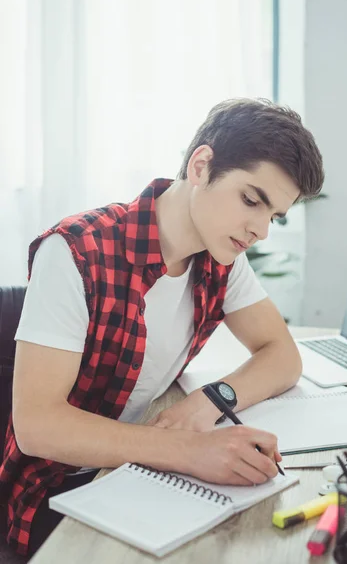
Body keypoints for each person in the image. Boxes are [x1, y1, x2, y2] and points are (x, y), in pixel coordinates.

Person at [0, 98, 324, 558]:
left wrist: (211, 399)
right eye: (251, 200)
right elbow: (37, 425)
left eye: (273, 216)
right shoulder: (75, 251)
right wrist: (189, 451)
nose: (260, 230)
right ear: (201, 165)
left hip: (139, 473)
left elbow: (282, 354)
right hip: (59, 495)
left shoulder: (221, 257)